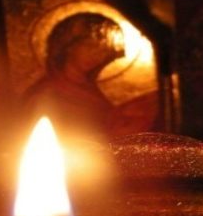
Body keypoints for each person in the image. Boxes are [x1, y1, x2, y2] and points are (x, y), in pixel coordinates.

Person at [23, 13, 158, 141]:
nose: (96, 54)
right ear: (69, 46)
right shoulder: (45, 94)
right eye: (90, 46)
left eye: (103, 50)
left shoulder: (95, 91)